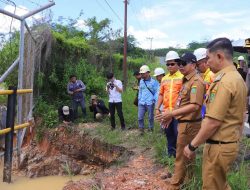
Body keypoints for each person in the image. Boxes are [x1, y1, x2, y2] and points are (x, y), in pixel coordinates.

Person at [183, 38, 247, 190]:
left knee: (212, 186)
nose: (207, 62)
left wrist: (192, 145)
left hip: (219, 146)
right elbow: (241, 115)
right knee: (221, 185)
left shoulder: (224, 82)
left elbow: (213, 122)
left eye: (208, 58)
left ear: (219, 56)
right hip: (228, 143)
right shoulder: (237, 78)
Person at [155, 52, 205, 189]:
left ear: (193, 64)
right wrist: (170, 115)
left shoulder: (196, 82)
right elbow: (179, 101)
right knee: (187, 154)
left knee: (181, 155)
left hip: (189, 124)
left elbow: (195, 106)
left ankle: (175, 183)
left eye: (183, 63)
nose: (180, 66)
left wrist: (171, 113)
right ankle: (188, 181)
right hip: (183, 122)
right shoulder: (187, 80)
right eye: (179, 63)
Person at [155, 51, 183, 159]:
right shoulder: (164, 79)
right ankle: (170, 157)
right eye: (167, 64)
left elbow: (183, 97)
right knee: (169, 134)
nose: (169, 66)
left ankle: (179, 157)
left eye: (172, 64)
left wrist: (173, 114)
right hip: (166, 112)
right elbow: (161, 94)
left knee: (178, 135)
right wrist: (157, 108)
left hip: (178, 113)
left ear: (178, 63)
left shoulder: (182, 77)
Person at [138, 65, 159, 135]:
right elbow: (140, 90)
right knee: (140, 117)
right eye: (141, 73)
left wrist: (154, 100)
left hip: (150, 102)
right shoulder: (141, 81)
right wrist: (139, 98)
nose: (141, 75)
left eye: (143, 73)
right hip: (142, 102)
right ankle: (141, 130)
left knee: (150, 117)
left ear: (148, 73)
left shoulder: (154, 82)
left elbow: (157, 92)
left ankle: (151, 129)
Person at [194, 48, 214, 118]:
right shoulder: (204, 75)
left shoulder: (211, 75)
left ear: (205, 62)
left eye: (198, 65)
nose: (196, 68)